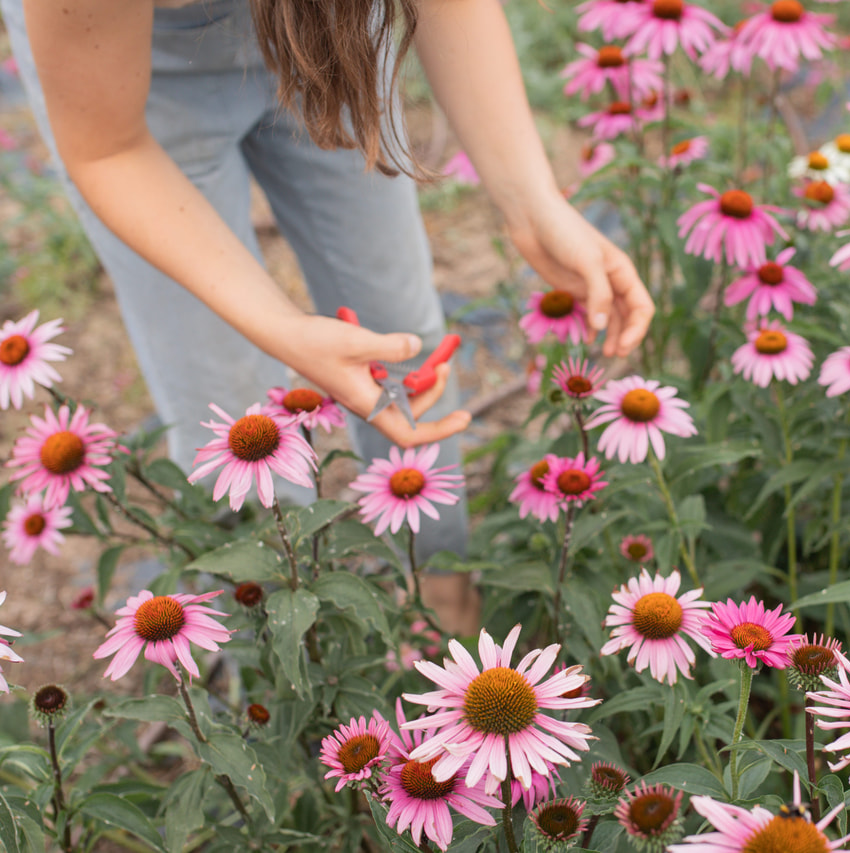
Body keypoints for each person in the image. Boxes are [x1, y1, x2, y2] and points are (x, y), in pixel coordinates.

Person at [1, 0, 652, 629]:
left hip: (328, 25)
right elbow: (108, 151)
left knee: (405, 337)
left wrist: (532, 201)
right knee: (227, 418)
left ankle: (442, 595)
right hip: (126, 72)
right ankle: (278, 670)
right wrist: (282, 327)